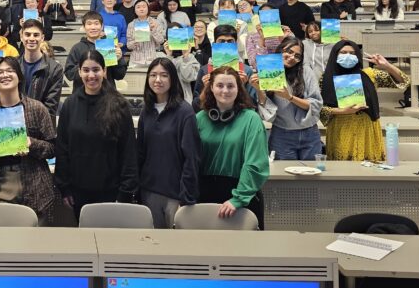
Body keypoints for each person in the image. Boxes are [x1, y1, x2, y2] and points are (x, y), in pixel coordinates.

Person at [0, 56, 58, 224]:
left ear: (19, 77)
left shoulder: (37, 108)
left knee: (35, 237)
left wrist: (31, 144)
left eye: (10, 71)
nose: (5, 75)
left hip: (36, 188)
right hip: (0, 186)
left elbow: (53, 148)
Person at [55, 50, 137, 218]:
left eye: (96, 69)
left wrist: (125, 193)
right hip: (78, 192)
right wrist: (64, 188)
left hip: (112, 193)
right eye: (86, 70)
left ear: (104, 71)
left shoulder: (119, 105)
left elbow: (129, 151)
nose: (91, 75)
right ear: (79, 72)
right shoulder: (70, 105)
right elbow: (62, 149)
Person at [196, 66, 269, 228]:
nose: (225, 90)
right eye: (220, 85)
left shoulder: (251, 119)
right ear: (211, 88)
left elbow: (255, 164)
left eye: (230, 86)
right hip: (204, 194)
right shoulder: (199, 118)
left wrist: (238, 199)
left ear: (239, 89)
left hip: (240, 196)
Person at [137, 57, 201, 228]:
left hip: (176, 195)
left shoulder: (185, 112)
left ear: (173, 79)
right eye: (153, 75)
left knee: (176, 242)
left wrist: (186, 198)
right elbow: (140, 153)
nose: (158, 80)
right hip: (149, 191)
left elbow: (191, 158)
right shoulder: (146, 111)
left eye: (164, 75)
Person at [320, 41, 401, 161]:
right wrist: (342, 111)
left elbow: (402, 81)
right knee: (341, 167)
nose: (348, 56)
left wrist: (387, 65)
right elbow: (319, 109)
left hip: (366, 129)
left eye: (352, 53)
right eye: (343, 52)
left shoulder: (370, 74)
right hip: (340, 130)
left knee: (368, 166)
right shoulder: (326, 77)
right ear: (335, 55)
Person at [251, 38, 322, 161]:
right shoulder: (269, 69)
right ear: (280, 50)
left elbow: (316, 104)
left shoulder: (305, 71)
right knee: (282, 171)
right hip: (282, 134)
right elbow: (267, 112)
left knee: (311, 171)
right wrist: (258, 89)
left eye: (297, 56)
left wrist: (290, 97)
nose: (292, 57)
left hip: (309, 132)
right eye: (289, 52)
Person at [64, 11, 127, 90]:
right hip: (82, 94)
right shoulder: (77, 48)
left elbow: (119, 76)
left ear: (102, 26)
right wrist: (86, 65)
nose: (93, 27)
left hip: (107, 93)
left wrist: (119, 60)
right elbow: (69, 74)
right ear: (83, 27)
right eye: (89, 24)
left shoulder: (109, 47)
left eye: (96, 24)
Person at [16, 19, 63, 118]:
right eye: (27, 34)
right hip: (16, 122)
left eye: (36, 35)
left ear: (42, 38)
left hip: (42, 124)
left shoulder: (55, 69)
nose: (31, 38)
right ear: (21, 37)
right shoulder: (13, 65)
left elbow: (51, 106)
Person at [127, 0, 166, 68]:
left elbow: (161, 41)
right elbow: (129, 46)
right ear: (134, 10)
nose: (141, 9)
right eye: (138, 7)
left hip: (152, 60)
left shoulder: (155, 22)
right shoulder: (131, 25)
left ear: (148, 8)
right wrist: (135, 41)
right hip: (136, 61)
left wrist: (153, 30)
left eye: (144, 6)